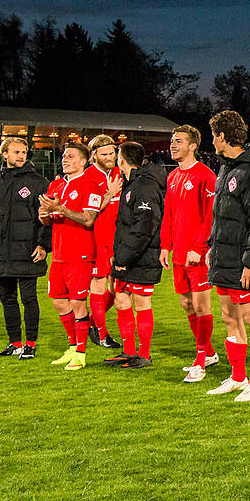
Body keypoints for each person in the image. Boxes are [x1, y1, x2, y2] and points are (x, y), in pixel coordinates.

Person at [203, 111, 250, 402]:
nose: (212, 140)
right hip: (224, 255)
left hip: (245, 261)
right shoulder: (226, 168)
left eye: (213, 135)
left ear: (222, 136)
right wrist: (212, 246)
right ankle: (237, 377)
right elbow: (220, 216)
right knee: (228, 316)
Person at [0, 137, 50, 359]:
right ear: (4, 154)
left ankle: (30, 344)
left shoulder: (38, 183)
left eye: (24, 152)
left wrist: (44, 245)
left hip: (28, 252)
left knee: (29, 298)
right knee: (7, 299)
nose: (21, 156)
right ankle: (14, 342)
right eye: (16, 152)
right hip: (0, 253)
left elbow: (47, 218)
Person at [159, 125, 220, 383]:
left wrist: (199, 248)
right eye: (172, 141)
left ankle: (200, 361)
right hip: (178, 253)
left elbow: (210, 217)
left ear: (193, 145)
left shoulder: (206, 176)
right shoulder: (172, 176)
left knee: (201, 305)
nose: (173, 145)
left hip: (197, 254)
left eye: (179, 141)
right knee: (186, 304)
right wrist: (165, 245)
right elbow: (168, 214)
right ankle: (210, 352)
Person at [99, 142, 166, 369]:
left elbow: (145, 227)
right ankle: (128, 351)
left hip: (143, 257)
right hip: (127, 255)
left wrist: (124, 257)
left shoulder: (145, 186)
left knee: (141, 302)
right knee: (120, 299)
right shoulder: (132, 184)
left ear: (122, 159)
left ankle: (143, 354)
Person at [38, 142, 104, 371]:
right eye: (64, 156)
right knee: (58, 301)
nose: (65, 159)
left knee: (77, 302)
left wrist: (62, 209)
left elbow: (88, 219)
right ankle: (72, 345)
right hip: (58, 254)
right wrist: (44, 214)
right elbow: (47, 220)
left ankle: (81, 353)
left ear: (84, 161)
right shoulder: (55, 185)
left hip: (81, 253)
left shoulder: (91, 185)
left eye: (71, 156)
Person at [84, 134, 122, 349]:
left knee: (117, 288)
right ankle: (102, 334)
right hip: (97, 239)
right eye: (104, 154)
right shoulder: (88, 177)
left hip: (118, 239)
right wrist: (109, 194)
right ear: (94, 156)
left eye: (112, 153)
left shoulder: (119, 173)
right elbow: (90, 212)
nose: (109, 157)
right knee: (98, 286)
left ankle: (89, 322)